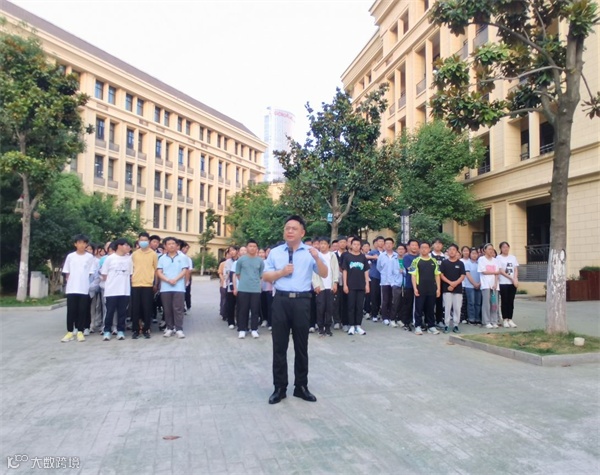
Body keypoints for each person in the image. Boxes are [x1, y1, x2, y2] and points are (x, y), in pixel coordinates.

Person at [263, 215, 328, 405]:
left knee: (301, 346)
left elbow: (324, 273)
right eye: (287, 228)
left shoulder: (311, 252)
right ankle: (279, 388)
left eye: (294, 228)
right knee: (279, 346)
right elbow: (266, 276)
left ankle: (301, 386)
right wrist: (281, 272)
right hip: (281, 301)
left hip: (302, 301)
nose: (289, 231)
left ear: (302, 232)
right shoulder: (275, 253)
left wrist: (317, 258)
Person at [61, 234, 98, 342]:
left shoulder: (89, 257)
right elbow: (67, 272)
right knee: (71, 311)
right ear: (75, 244)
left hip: (83, 288)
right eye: (79, 243)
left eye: (84, 243)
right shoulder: (70, 256)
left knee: (82, 310)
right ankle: (69, 332)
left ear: (86, 244)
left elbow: (90, 272)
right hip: (72, 288)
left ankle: (80, 331)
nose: (82, 245)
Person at [101, 238, 133, 341]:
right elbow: (104, 274)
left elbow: (131, 274)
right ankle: (107, 331)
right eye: (126, 245)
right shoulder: (110, 258)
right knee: (109, 312)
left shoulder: (129, 259)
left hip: (124, 290)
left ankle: (121, 331)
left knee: (122, 312)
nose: (128, 247)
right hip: (111, 291)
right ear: (119, 246)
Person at [157, 237, 189, 338]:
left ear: (177, 245)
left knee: (178, 309)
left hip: (178, 287)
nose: (171, 245)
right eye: (169, 244)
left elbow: (184, 271)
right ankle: (169, 328)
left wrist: (175, 279)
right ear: (165, 246)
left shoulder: (182, 257)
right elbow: (159, 272)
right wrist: (167, 280)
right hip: (165, 288)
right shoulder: (162, 258)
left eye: (173, 243)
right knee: (167, 309)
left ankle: (179, 329)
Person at [409, 241, 441, 335]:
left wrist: (438, 288)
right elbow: (413, 275)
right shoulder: (416, 261)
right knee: (418, 308)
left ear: (429, 249)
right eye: (422, 247)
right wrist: (415, 288)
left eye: (426, 247)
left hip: (431, 288)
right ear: (419, 249)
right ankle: (418, 326)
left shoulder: (434, 261)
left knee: (431, 308)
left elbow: (437, 275)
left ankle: (431, 326)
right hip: (420, 288)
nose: (424, 249)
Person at [234, 239, 264, 339]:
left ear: (257, 248)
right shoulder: (241, 260)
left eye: (254, 246)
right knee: (243, 310)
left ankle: (254, 329)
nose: (252, 248)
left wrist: (254, 282)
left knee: (255, 310)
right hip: (243, 289)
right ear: (247, 247)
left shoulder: (260, 261)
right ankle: (242, 329)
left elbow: (261, 275)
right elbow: (238, 274)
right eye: (250, 246)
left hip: (255, 289)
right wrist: (244, 282)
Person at [130, 232, 158, 339]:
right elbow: (131, 268)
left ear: (149, 241)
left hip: (148, 284)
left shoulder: (153, 254)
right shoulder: (134, 254)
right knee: (135, 308)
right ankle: (136, 330)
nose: (143, 242)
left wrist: (156, 283)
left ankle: (146, 329)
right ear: (138, 241)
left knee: (147, 308)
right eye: (141, 240)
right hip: (135, 284)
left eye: (145, 240)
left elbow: (156, 270)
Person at [343, 236, 370, 336]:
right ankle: (351, 326)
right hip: (350, 285)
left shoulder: (363, 257)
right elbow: (345, 271)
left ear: (360, 246)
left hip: (361, 285)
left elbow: (366, 271)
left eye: (358, 244)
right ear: (351, 245)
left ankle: (358, 325)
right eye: (354, 244)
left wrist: (367, 284)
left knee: (359, 306)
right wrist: (345, 284)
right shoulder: (347, 257)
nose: (356, 246)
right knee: (351, 306)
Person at [312, 237, 339, 337]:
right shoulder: (316, 256)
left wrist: (335, 282)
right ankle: (320, 327)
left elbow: (335, 269)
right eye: (321, 243)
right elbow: (313, 272)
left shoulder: (332, 256)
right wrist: (316, 285)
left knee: (330, 307)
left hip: (330, 285)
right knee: (320, 307)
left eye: (324, 243)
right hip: (321, 285)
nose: (322, 245)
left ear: (328, 245)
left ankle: (328, 327)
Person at [439, 244, 466, 333]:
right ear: (447, 251)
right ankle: (446, 325)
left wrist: (454, 284)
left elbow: (462, 276)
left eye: (454, 249)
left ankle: (456, 325)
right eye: (450, 249)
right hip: (447, 288)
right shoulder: (444, 262)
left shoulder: (460, 263)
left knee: (457, 308)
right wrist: (450, 283)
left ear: (457, 252)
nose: (451, 251)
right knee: (447, 307)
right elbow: (441, 275)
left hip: (458, 289)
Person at [377, 237, 399, 327]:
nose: (388, 245)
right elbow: (379, 267)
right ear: (384, 245)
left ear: (393, 245)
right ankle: (385, 317)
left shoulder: (396, 255)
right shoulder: (381, 256)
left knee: (393, 300)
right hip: (385, 281)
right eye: (387, 244)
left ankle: (391, 316)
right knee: (385, 300)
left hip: (394, 281)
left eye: (390, 243)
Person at [478, 243, 500, 329]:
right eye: (489, 249)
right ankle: (486, 321)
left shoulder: (495, 260)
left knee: (494, 303)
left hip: (494, 285)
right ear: (484, 250)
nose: (491, 251)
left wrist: (495, 283)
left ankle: (494, 321)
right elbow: (484, 272)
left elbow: (497, 273)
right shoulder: (481, 259)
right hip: (485, 285)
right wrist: (494, 272)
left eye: (492, 249)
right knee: (486, 304)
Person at [497, 241, 519, 328]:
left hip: (512, 283)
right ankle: (505, 319)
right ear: (501, 249)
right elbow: (500, 270)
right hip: (503, 282)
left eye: (507, 247)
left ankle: (510, 319)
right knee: (504, 301)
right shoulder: (498, 258)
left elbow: (515, 269)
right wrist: (511, 278)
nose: (505, 249)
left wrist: (515, 278)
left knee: (511, 301)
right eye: (503, 247)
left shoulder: (513, 257)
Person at [401, 239, 420, 331]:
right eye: (412, 245)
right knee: (408, 304)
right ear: (408, 247)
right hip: (410, 284)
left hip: (421, 284)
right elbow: (410, 269)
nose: (414, 247)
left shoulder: (421, 257)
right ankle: (406, 322)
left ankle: (417, 322)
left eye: (416, 245)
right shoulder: (406, 257)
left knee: (419, 305)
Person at [366, 236, 384, 322]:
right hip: (374, 276)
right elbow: (365, 256)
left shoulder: (386, 252)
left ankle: (381, 312)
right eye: (379, 241)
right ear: (376, 243)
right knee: (374, 295)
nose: (381, 243)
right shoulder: (373, 252)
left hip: (384, 277)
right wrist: (374, 257)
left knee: (381, 296)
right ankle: (374, 314)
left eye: (382, 241)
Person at [464, 247, 482, 325]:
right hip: (469, 286)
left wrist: (479, 283)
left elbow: (482, 274)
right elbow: (468, 274)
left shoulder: (480, 263)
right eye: (472, 253)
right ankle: (471, 318)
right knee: (471, 303)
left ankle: (477, 318)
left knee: (478, 303)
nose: (474, 255)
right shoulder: (467, 263)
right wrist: (474, 283)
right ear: (470, 254)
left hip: (480, 285)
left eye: (476, 253)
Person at [430, 238, 446, 328]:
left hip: (442, 283)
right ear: (432, 245)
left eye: (440, 243)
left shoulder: (445, 257)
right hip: (431, 282)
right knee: (430, 302)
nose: (438, 245)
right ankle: (430, 321)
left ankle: (439, 320)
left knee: (440, 302)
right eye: (436, 243)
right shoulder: (429, 256)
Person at [181, 241, 193, 312]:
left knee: (187, 292)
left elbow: (189, 270)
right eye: (185, 248)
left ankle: (188, 305)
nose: (186, 250)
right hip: (179, 278)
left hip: (186, 277)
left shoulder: (188, 258)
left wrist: (187, 280)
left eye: (187, 248)